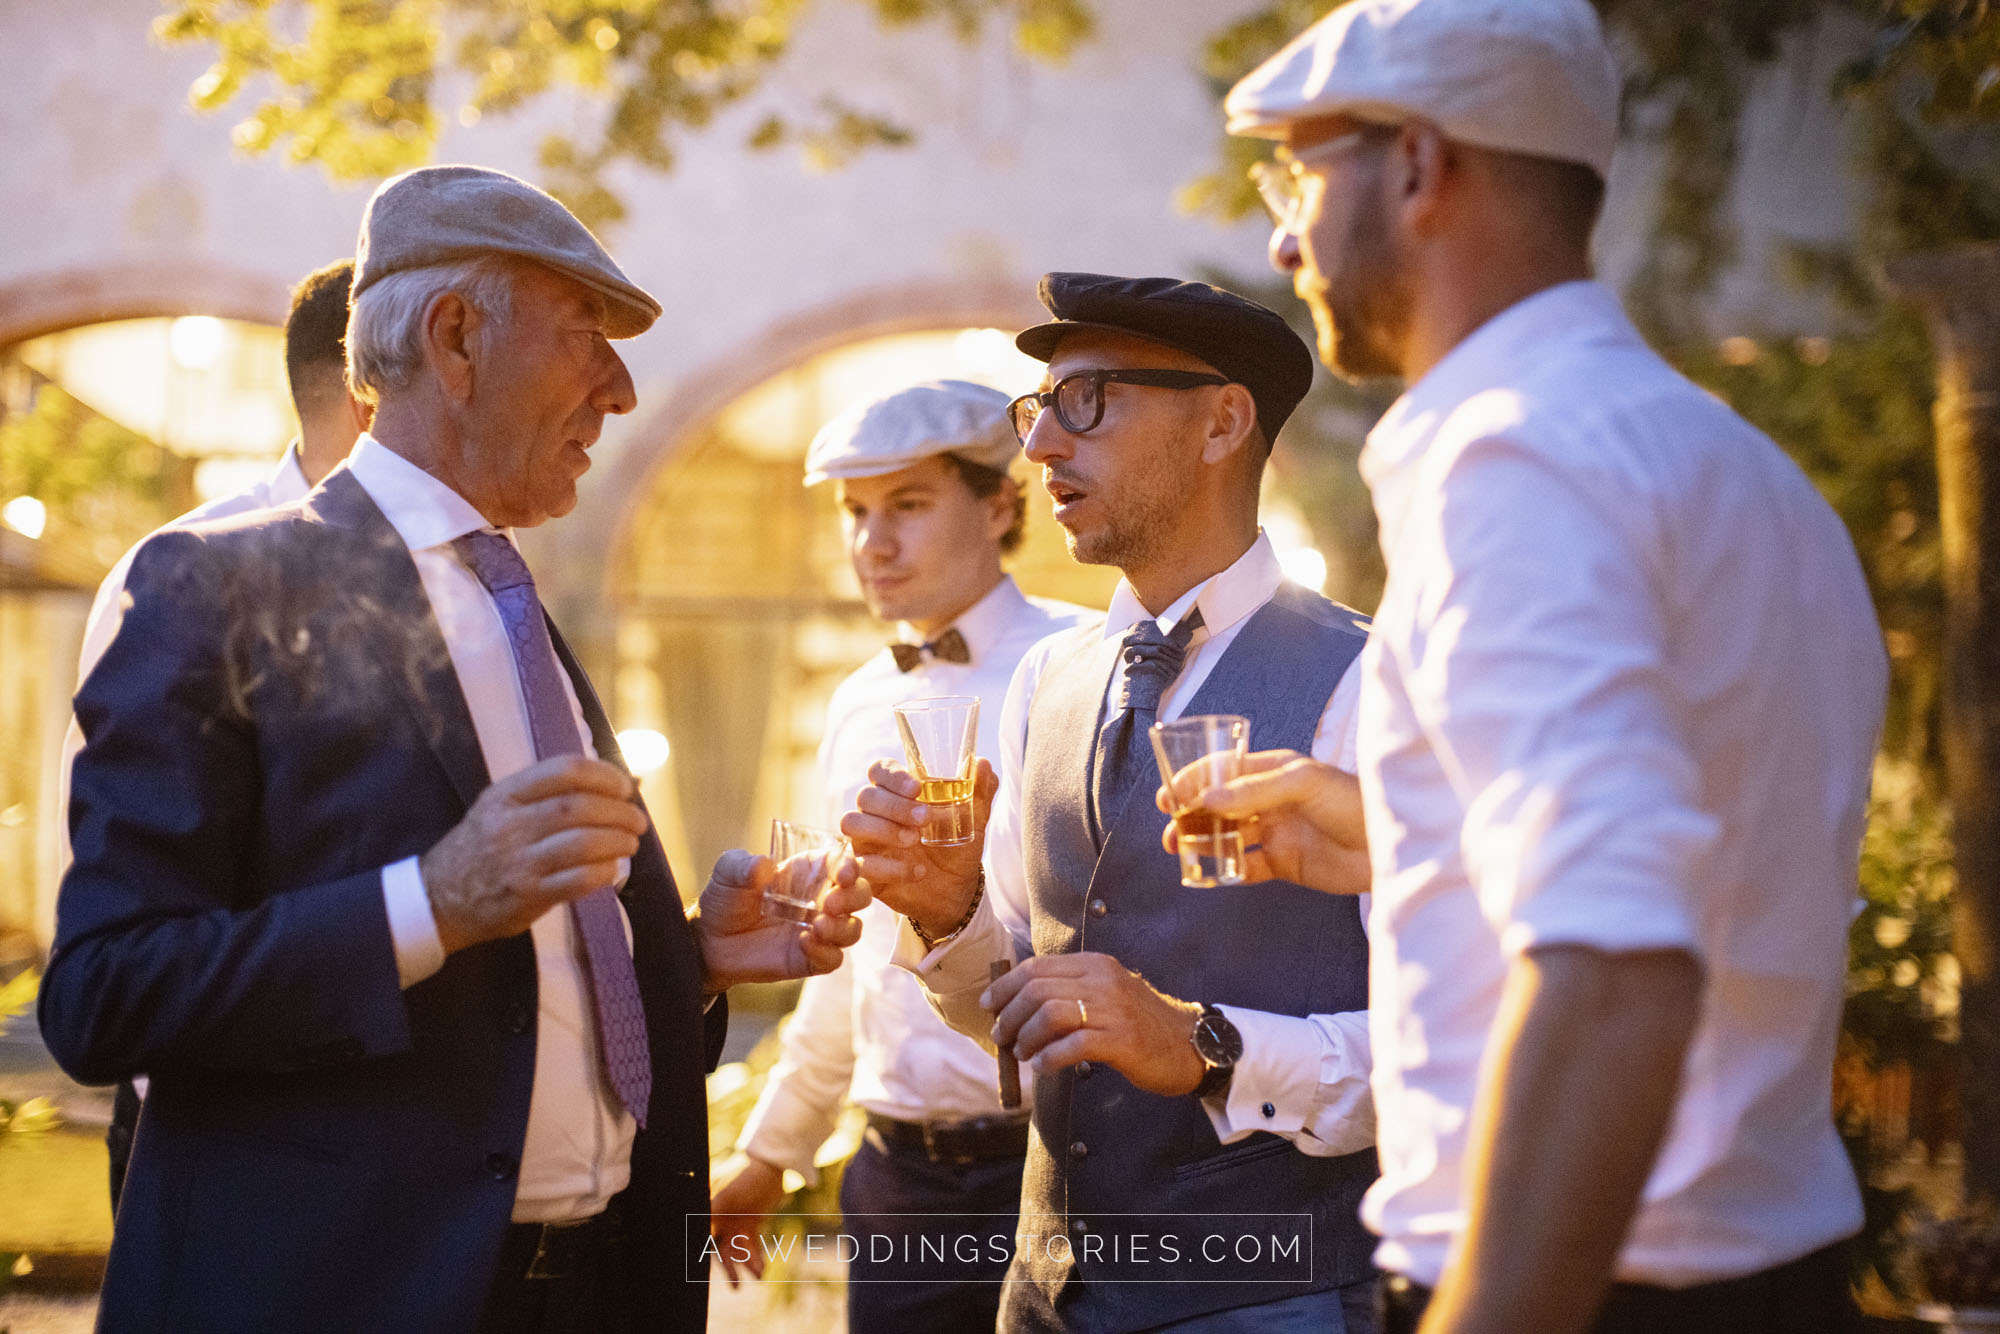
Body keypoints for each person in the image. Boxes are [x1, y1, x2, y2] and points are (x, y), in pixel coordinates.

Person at [41, 164, 868, 1334]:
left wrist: (689, 959)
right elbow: (102, 997)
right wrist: (428, 899)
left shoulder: (514, 598)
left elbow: (530, 993)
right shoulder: (211, 584)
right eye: (587, 334)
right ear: (456, 335)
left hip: (595, 1287)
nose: (622, 391)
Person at [1190, 3, 1890, 1332]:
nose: (1283, 237)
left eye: (1298, 175)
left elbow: (1618, 958)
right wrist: (1406, 840)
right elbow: (1709, 866)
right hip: (1763, 1272)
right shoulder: (1743, 468)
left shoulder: (1509, 460)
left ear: (1417, 164)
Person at [844, 274, 1381, 1333]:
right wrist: (949, 915)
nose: (1040, 443)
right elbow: (1015, 1003)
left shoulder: (1373, 680)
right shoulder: (1045, 680)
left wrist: (1205, 1042)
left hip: (1276, 1298)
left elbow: (1444, 1043)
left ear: (1221, 420)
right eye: (1036, 407)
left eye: (1086, 400)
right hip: (1042, 1298)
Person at [709, 380, 1092, 1331]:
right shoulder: (854, 702)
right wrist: (771, 1149)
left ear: (1002, 504)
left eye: (908, 506)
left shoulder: (1087, 669)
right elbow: (852, 961)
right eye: (855, 512)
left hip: (1062, 1168)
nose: (872, 542)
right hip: (895, 1184)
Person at [61, 258, 371, 1214]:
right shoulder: (187, 576)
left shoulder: (468, 581)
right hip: (210, 1122)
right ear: (374, 394)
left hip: (384, 1135)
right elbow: (120, 886)